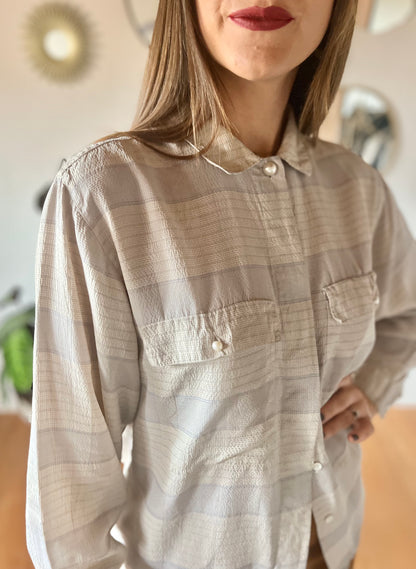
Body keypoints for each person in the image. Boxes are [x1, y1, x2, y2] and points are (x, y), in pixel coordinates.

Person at [25, 1, 416, 569]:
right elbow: (68, 493)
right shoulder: (103, 198)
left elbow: (406, 315)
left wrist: (374, 385)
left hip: (336, 551)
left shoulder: (360, 191)